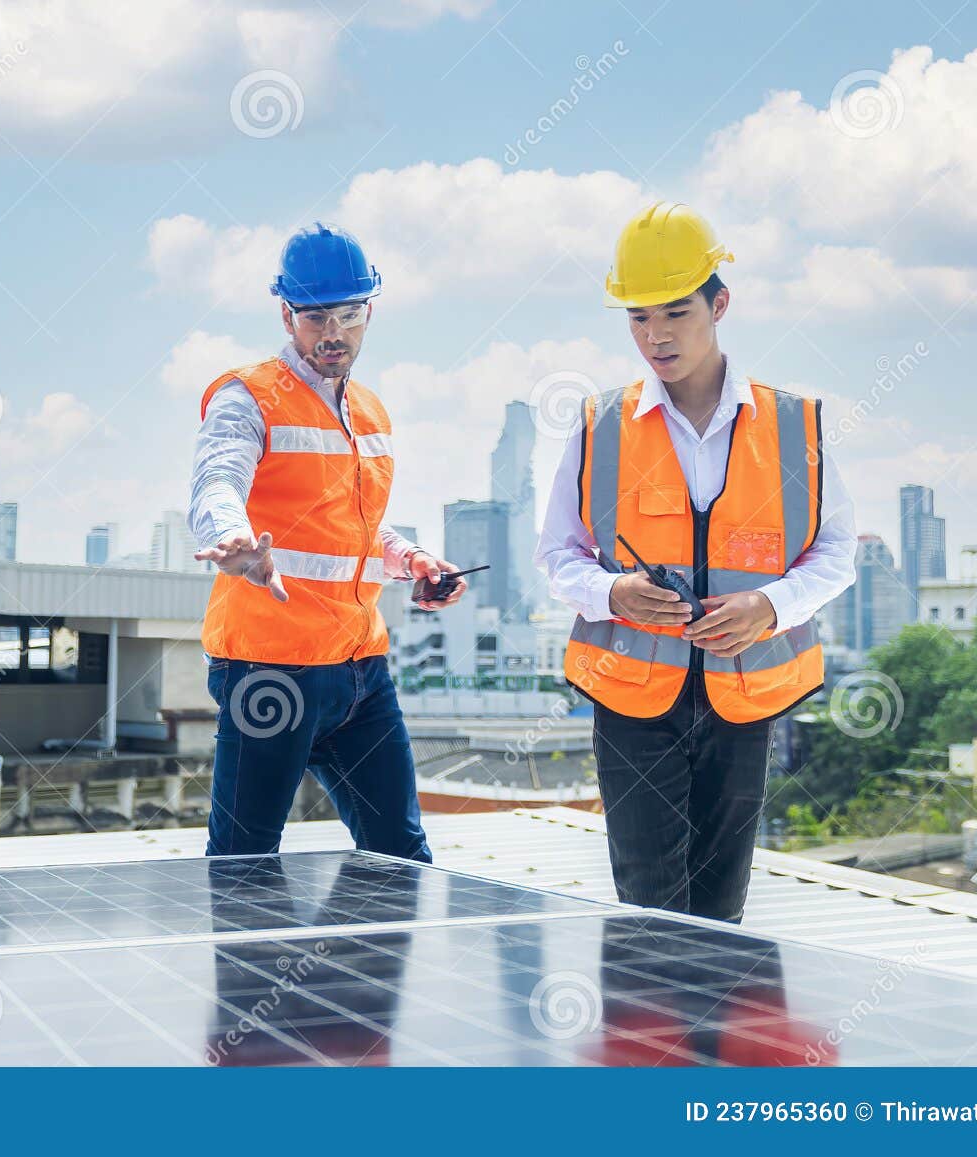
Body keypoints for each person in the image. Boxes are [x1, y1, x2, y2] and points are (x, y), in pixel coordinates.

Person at [535, 201, 858, 921]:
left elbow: (837, 552)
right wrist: (612, 591)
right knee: (650, 909)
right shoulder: (598, 423)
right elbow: (558, 555)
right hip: (632, 696)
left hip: (744, 697)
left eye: (674, 312)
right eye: (638, 317)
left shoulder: (794, 423)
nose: (655, 336)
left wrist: (769, 606)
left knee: (721, 913)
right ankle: (646, 1037)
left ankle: (709, 1036)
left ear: (720, 303)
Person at [189, 222, 469, 860]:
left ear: (368, 311)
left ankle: (361, 962)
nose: (333, 333)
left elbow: (353, 527)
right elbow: (217, 479)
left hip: (360, 672)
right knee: (244, 860)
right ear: (287, 315)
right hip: (269, 669)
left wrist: (410, 560)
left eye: (349, 314)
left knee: (401, 855)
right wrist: (232, 536)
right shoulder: (248, 396)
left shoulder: (369, 412)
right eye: (315, 316)